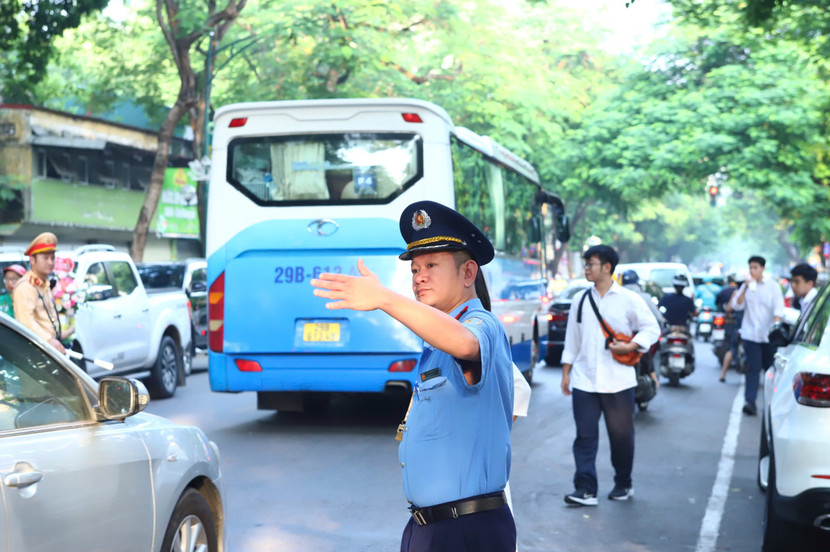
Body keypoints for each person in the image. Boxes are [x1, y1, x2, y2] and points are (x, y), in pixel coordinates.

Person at [311, 200, 516, 552]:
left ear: (468, 274)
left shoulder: (481, 325)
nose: (419, 276)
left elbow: (466, 345)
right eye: (415, 268)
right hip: (429, 526)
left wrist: (384, 298)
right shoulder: (436, 339)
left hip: (466, 530)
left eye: (432, 265)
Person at [560, 246, 660, 506]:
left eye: (591, 263)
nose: (586, 268)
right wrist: (566, 373)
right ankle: (585, 489)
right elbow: (573, 340)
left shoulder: (628, 299)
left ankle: (623, 483)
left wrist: (631, 345)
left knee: (621, 437)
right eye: (585, 263)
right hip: (585, 380)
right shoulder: (580, 300)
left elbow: (651, 329)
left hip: (618, 381)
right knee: (584, 437)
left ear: (607, 267)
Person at [730, 255, 784, 416]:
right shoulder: (747, 286)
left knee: (769, 370)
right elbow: (737, 306)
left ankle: (772, 403)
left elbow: (778, 310)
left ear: (762, 268)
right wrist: (745, 288)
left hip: (768, 336)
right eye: (751, 268)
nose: (752, 270)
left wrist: (775, 327)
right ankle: (750, 402)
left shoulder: (772, 286)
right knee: (753, 368)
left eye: (755, 267)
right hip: (750, 335)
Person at [12, 233, 66, 354]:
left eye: (52, 258)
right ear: (32, 259)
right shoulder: (26, 286)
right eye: (45, 258)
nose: (50, 262)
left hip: (47, 350)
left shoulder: (44, 283)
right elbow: (25, 322)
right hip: (36, 352)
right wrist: (49, 340)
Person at [717, 275, 744, 383]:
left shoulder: (736, 293)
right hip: (743, 327)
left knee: (731, 350)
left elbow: (728, 309)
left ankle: (723, 374)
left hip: (737, 326)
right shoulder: (746, 293)